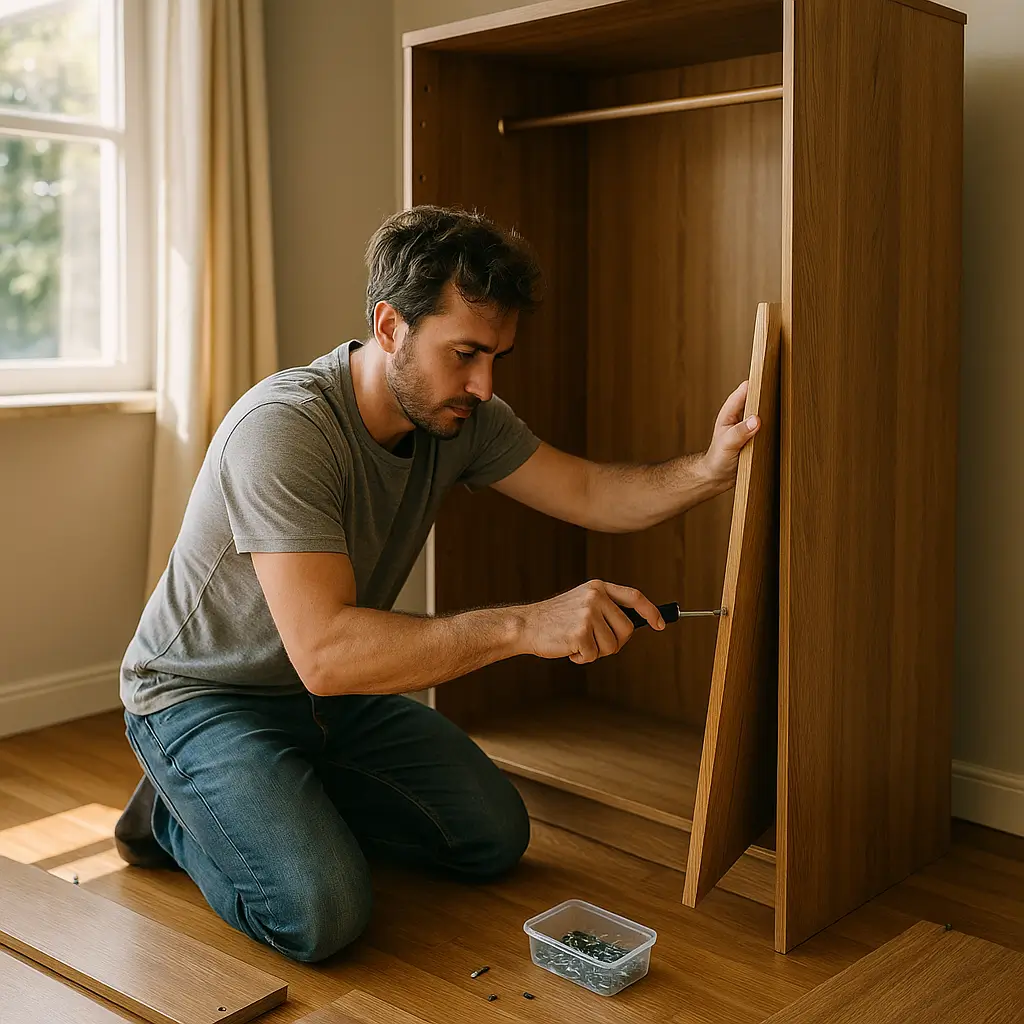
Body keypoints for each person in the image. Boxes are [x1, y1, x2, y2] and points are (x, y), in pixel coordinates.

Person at [114, 205, 760, 963]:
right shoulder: (284, 430)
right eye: (465, 353)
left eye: (497, 357)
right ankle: (173, 814)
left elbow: (590, 494)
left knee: (493, 838)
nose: (484, 384)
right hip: (204, 697)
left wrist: (711, 469)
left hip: (325, 700)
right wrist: (524, 627)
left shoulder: (460, 416)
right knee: (322, 915)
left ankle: (273, 798)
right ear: (390, 327)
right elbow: (324, 651)